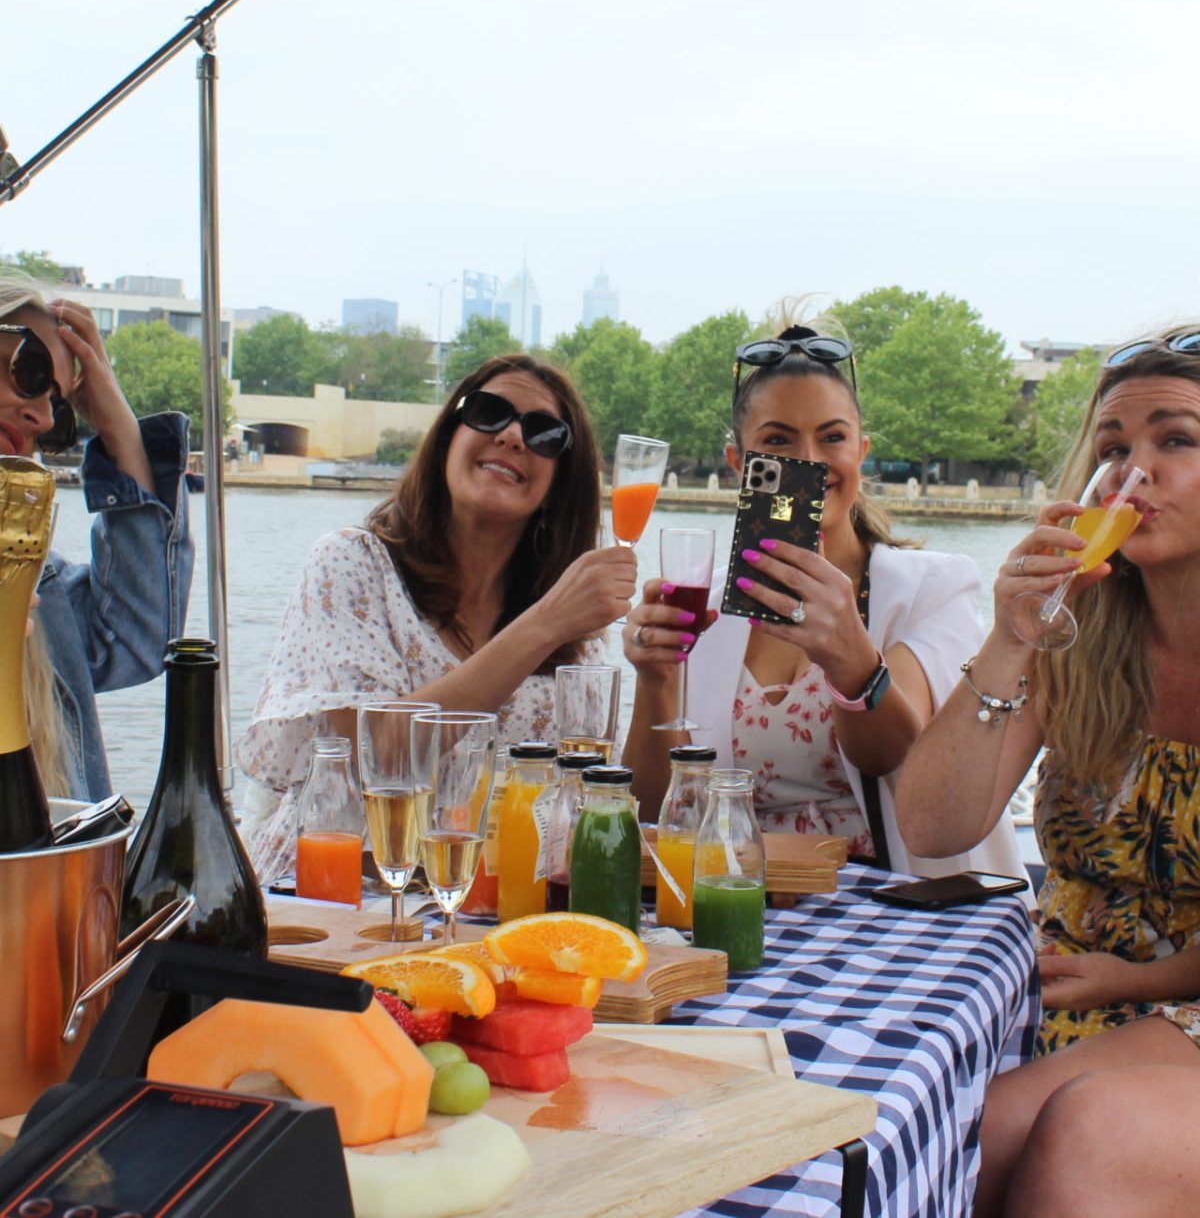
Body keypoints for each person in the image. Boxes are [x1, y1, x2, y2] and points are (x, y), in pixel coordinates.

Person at [893, 328, 1200, 1217]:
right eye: (1113, 449)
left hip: (1160, 995)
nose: (1132, 472)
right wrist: (1009, 640)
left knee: (1024, 1134)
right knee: (904, 1121)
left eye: (1175, 439)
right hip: (1062, 987)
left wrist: (1138, 981)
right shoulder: (1081, 635)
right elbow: (934, 829)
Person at [622, 318, 1023, 878]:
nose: (808, 461)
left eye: (831, 438)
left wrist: (848, 654)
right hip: (745, 899)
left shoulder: (933, 586)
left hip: (896, 902)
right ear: (738, 464)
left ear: (861, 452)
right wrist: (655, 680)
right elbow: (651, 806)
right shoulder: (704, 603)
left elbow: (898, 759)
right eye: (778, 441)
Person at [238, 353, 638, 883]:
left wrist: (658, 675)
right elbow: (373, 752)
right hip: (338, 902)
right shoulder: (353, 564)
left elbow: (593, 804)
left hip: (493, 911)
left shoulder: (565, 633)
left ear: (558, 487)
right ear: (447, 438)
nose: (514, 436)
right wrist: (544, 624)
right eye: (490, 412)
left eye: (545, 433)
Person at [0, 272, 194, 802]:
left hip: (43, 880)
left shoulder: (32, 583)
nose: (40, 415)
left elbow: (138, 639)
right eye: (28, 369)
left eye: (60, 413)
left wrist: (122, 434)